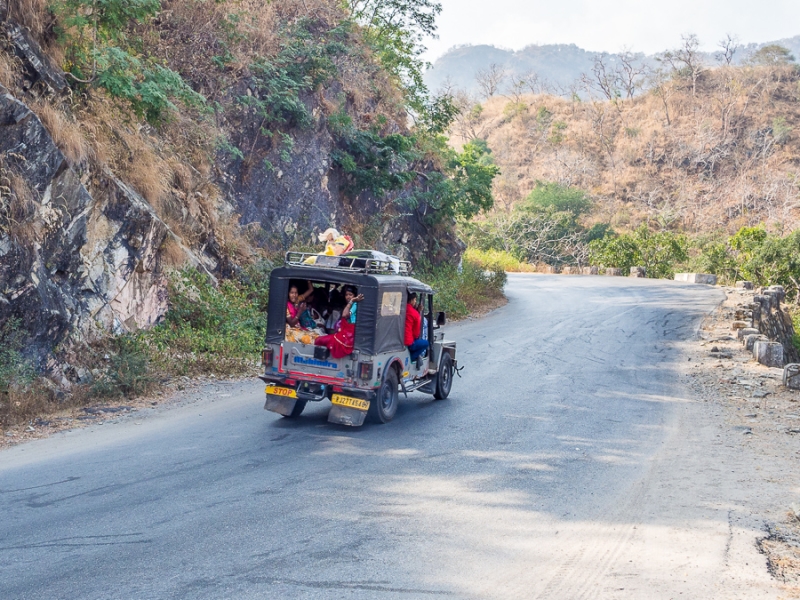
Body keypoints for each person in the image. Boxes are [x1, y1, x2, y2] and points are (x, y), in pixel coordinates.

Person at [314, 285, 363, 358]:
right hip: (345, 333)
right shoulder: (350, 305)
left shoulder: (354, 304)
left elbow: (344, 315)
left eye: (350, 295)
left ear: (355, 296)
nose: (348, 297)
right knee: (322, 340)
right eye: (346, 295)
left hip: (348, 335)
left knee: (320, 340)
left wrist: (352, 301)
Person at [404, 292, 429, 362]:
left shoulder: (401, 309)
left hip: (399, 339)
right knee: (426, 343)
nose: (415, 302)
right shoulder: (415, 314)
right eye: (415, 300)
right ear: (411, 300)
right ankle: (411, 358)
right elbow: (416, 334)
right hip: (408, 342)